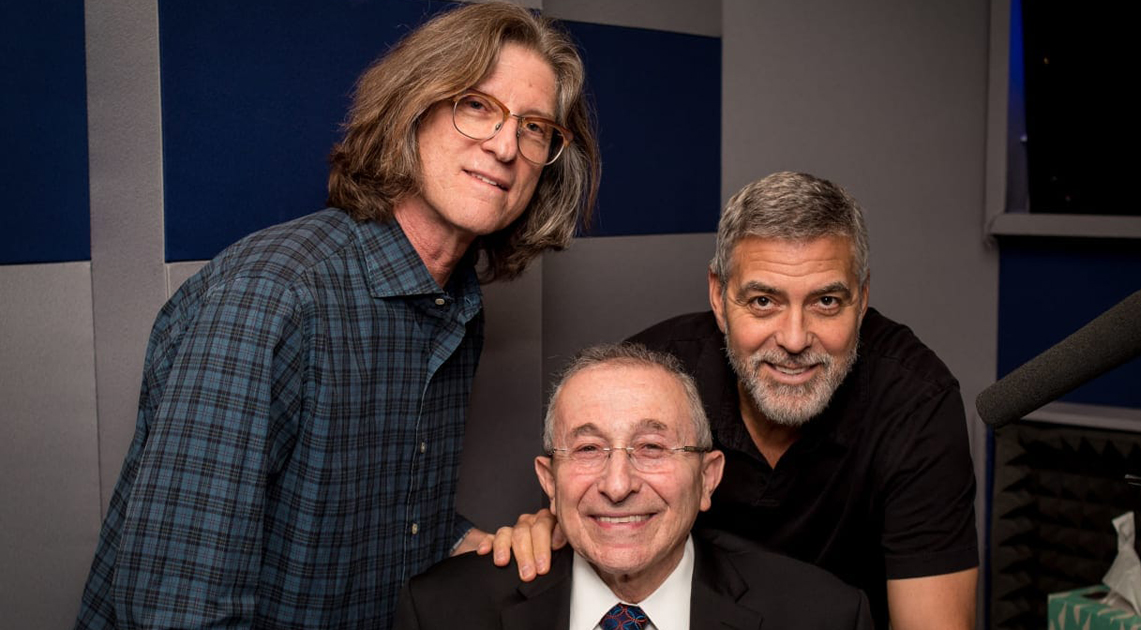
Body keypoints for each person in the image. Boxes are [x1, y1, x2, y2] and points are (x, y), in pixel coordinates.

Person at [75, 4, 599, 629]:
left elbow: (373, 515)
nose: (506, 146)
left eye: (534, 127)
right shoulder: (273, 298)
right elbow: (175, 607)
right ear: (412, 109)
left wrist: (474, 546)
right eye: (476, 105)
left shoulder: (453, 302)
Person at [485, 172, 978, 629]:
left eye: (826, 302)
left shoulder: (915, 401)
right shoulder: (658, 381)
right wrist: (549, 530)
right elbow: (591, 505)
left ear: (862, 299)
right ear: (719, 298)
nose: (793, 338)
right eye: (763, 302)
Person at [397, 343, 872, 629]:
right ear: (550, 482)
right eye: (588, 449)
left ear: (707, 478)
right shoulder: (444, 612)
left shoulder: (821, 616)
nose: (618, 484)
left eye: (652, 447)